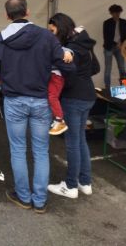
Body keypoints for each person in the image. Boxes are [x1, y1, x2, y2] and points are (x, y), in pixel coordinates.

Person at [0, 0, 74, 214]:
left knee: (18, 150)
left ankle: (24, 196)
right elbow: (62, 62)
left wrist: (5, 80)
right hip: (40, 101)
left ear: (7, 15)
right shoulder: (46, 36)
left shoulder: (0, 38)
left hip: (14, 99)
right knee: (41, 151)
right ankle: (40, 201)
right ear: (27, 12)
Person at [48, 13, 97, 199]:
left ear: (60, 27)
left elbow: (67, 65)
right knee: (80, 140)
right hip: (88, 95)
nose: (52, 34)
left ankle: (70, 186)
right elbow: (96, 68)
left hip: (74, 98)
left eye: (53, 30)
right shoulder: (84, 41)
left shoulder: (70, 48)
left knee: (72, 144)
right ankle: (85, 182)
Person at [47, 25, 74, 136]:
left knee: (52, 97)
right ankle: (57, 119)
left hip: (56, 76)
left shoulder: (54, 43)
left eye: (52, 30)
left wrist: (68, 53)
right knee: (50, 97)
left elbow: (65, 49)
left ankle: (59, 119)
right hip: (52, 76)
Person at [103, 4, 126, 87]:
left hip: (120, 48)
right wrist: (116, 44)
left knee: (122, 68)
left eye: (118, 12)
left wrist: (123, 44)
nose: (117, 14)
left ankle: (124, 87)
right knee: (108, 69)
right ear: (111, 13)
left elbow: (125, 36)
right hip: (109, 47)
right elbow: (106, 37)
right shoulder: (107, 23)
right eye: (115, 13)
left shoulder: (124, 22)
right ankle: (107, 88)